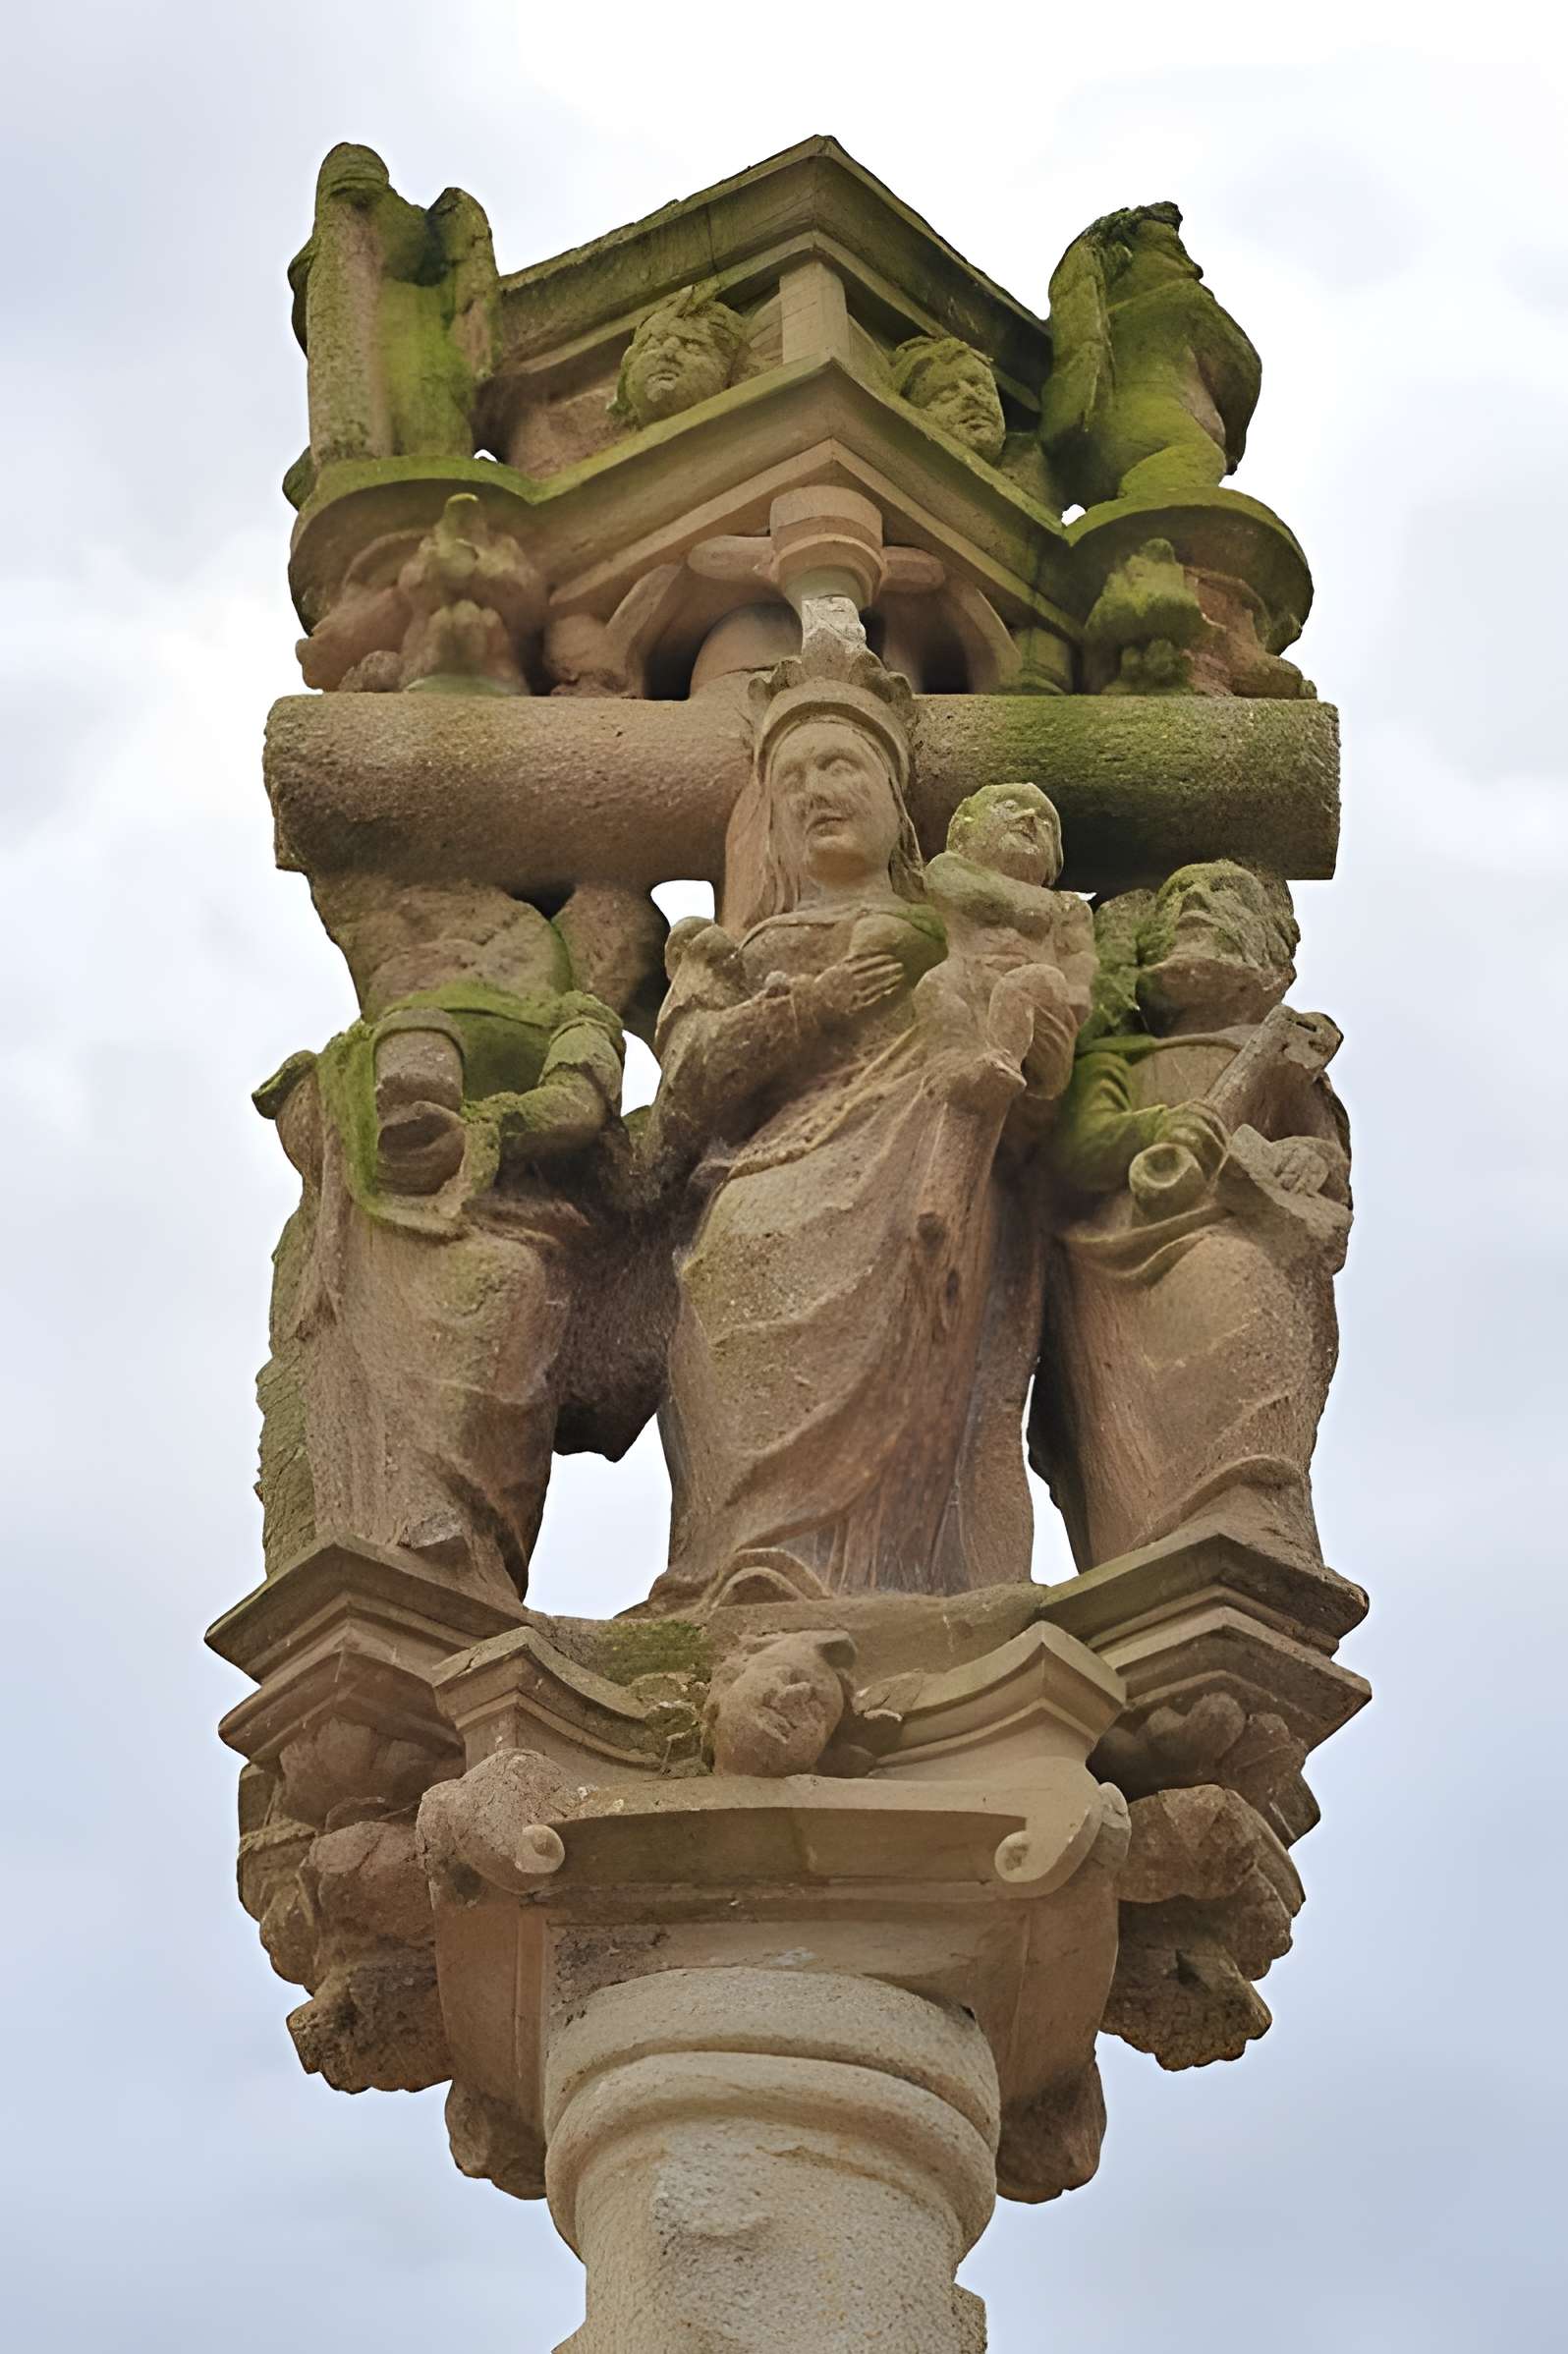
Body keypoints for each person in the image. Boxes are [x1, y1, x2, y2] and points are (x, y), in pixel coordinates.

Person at [641, 642, 1067, 1607]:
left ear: (893, 797)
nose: (814, 792)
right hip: (762, 1201)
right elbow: (685, 1092)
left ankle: (902, 1587)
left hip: (920, 1189)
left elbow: (1035, 1104)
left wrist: (1035, 1041)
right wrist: (809, 1005)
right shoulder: (722, 953)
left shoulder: (963, 932)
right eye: (791, 777)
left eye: (840, 767)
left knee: (932, 1399)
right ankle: (746, 1577)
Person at [1031, 860, 1351, 1572]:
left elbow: (1325, 1160)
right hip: (1110, 1265)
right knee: (1117, 1425)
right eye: (1178, 898)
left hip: (1229, 1240)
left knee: (1239, 1306)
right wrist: (1164, 1128)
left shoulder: (1275, 1055)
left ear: (1269, 951)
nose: (1196, 906)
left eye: (1220, 895)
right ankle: (1134, 1554)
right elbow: (1080, 1150)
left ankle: (1252, 1509)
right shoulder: (1115, 1057)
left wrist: (1307, 1159)